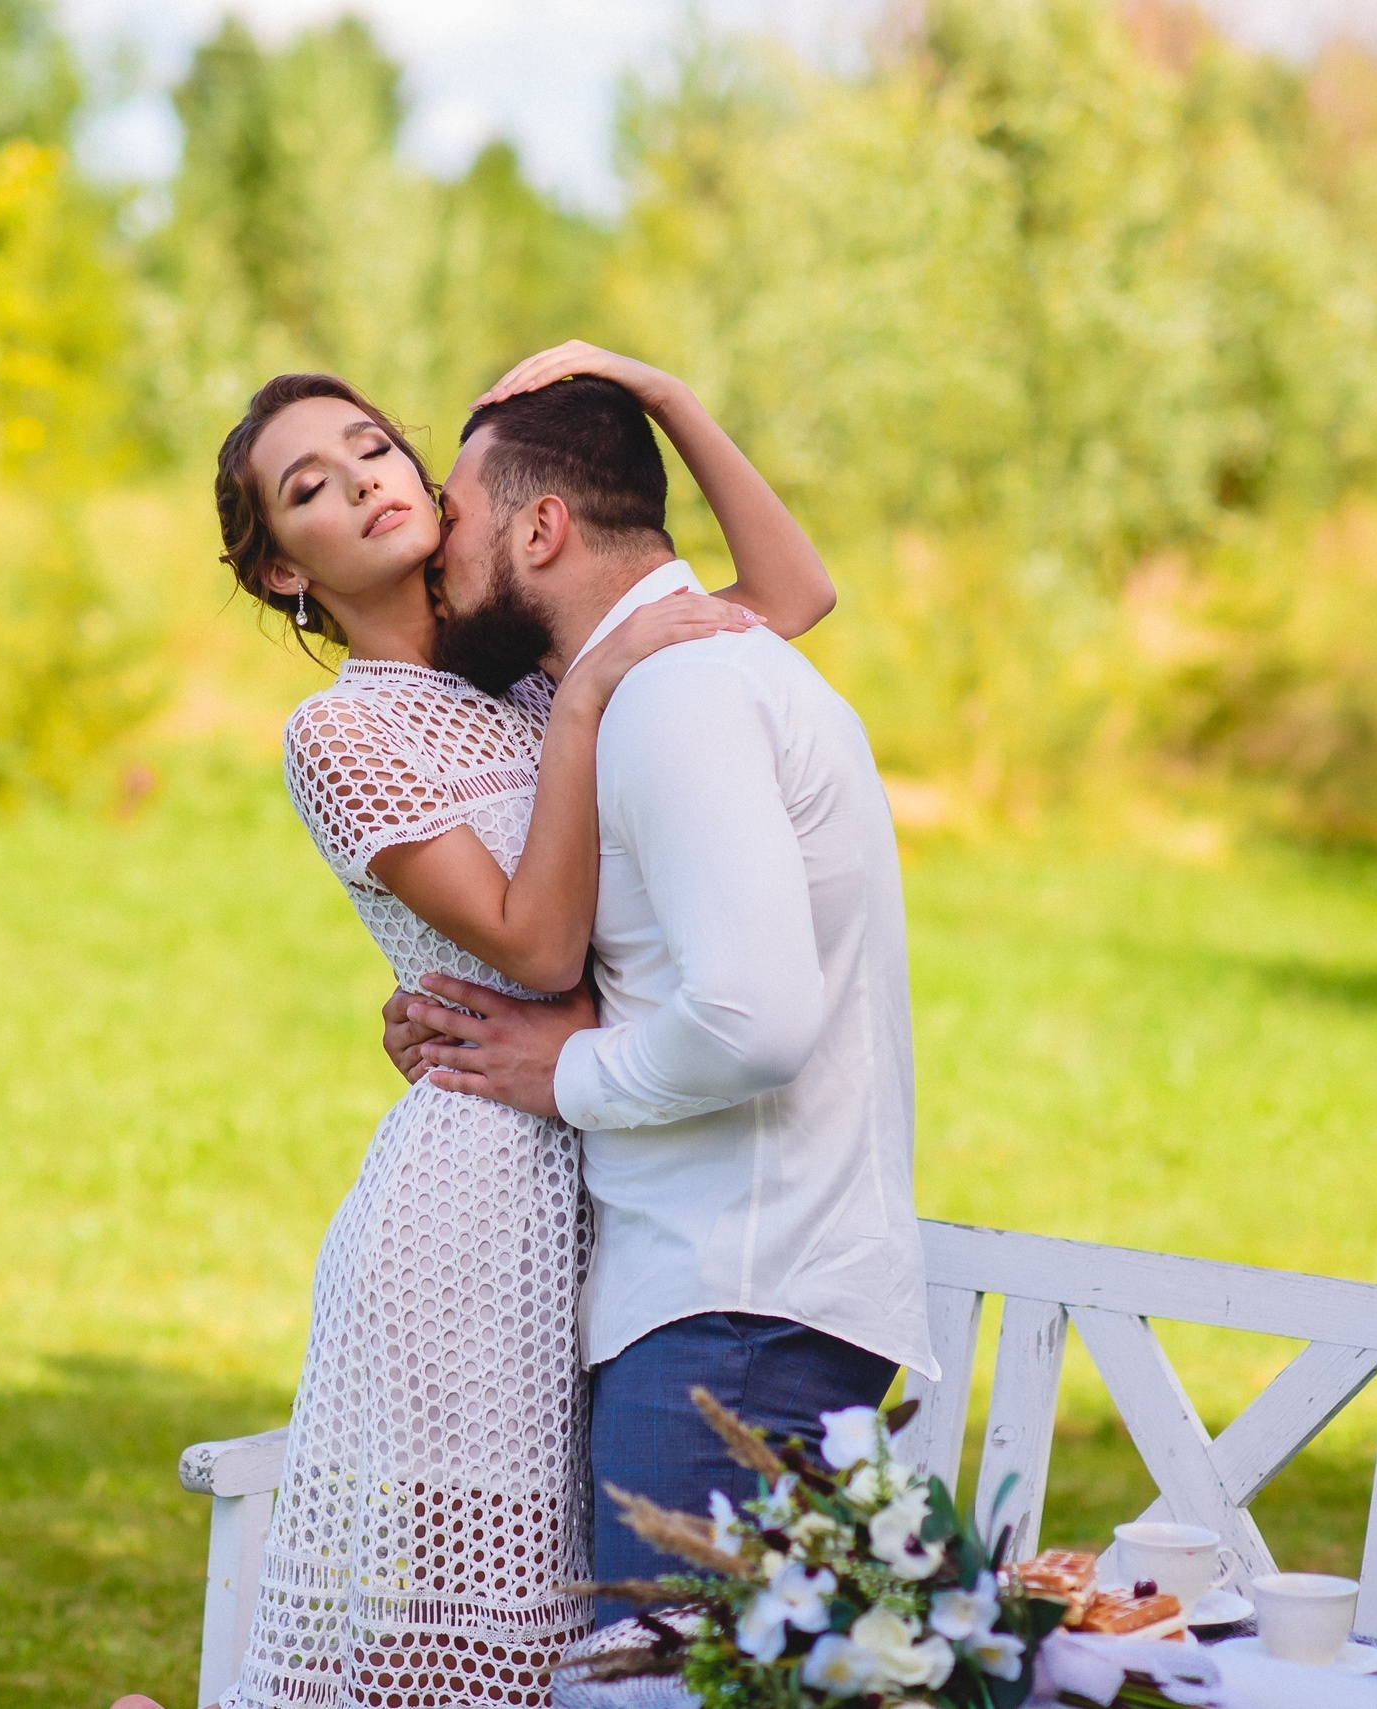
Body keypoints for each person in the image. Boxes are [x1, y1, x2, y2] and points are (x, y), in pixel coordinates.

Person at [205, 347, 841, 1709]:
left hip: (612, 1179)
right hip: (476, 1207)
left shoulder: (532, 659)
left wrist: (662, 399)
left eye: (373, 447)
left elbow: (792, 596)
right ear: (283, 571)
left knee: (563, 1637)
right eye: (309, 488)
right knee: (466, 1639)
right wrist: (599, 693)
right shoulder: (343, 735)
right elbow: (538, 944)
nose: (362, 483)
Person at [388, 346, 936, 1622]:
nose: (435, 551)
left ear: (543, 525)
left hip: (732, 1323)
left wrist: (557, 1067)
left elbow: (752, 1019)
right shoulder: (679, 670)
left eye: (455, 519)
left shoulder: (679, 692)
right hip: (742, 1313)